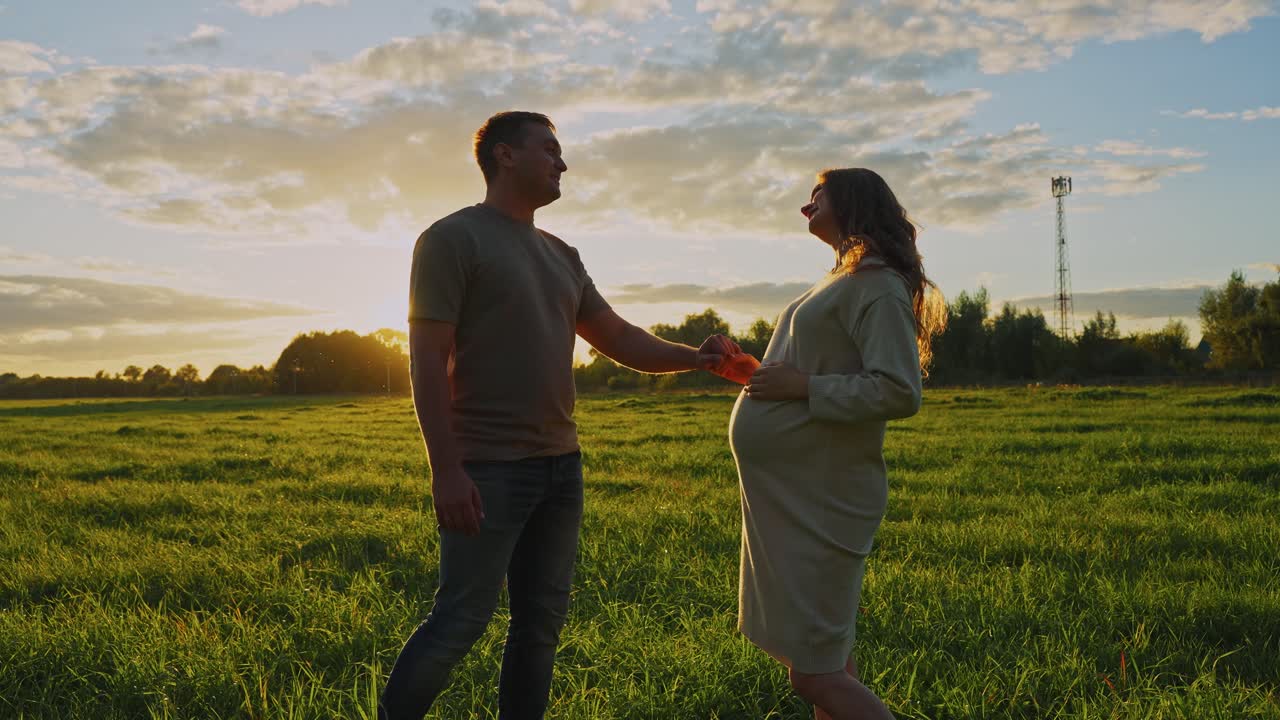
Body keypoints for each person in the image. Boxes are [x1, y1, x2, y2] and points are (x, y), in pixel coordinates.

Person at [378, 111, 735, 720]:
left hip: (560, 469)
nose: (562, 162)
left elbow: (618, 336)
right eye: (550, 149)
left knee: (539, 627)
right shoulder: (451, 239)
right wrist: (446, 470)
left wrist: (696, 359)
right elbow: (426, 363)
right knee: (460, 619)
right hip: (487, 468)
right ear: (504, 155)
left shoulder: (562, 254)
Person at [728, 168, 946, 720]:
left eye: (817, 197)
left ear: (851, 202)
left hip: (822, 502)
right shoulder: (841, 279)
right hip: (795, 497)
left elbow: (899, 390)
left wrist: (800, 386)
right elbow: (811, 372)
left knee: (816, 673)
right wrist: (751, 371)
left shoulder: (877, 285)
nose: (806, 208)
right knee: (830, 661)